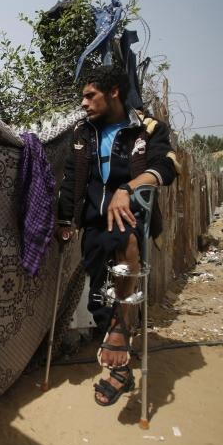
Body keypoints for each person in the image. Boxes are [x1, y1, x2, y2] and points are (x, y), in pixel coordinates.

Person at [55, 65, 179, 406]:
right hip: (94, 219)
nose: (83, 103)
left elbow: (166, 166)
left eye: (89, 95)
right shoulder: (83, 133)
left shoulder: (147, 128)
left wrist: (128, 188)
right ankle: (116, 334)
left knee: (127, 243)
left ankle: (119, 347)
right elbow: (70, 179)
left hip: (131, 214)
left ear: (113, 93)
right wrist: (65, 220)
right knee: (97, 291)